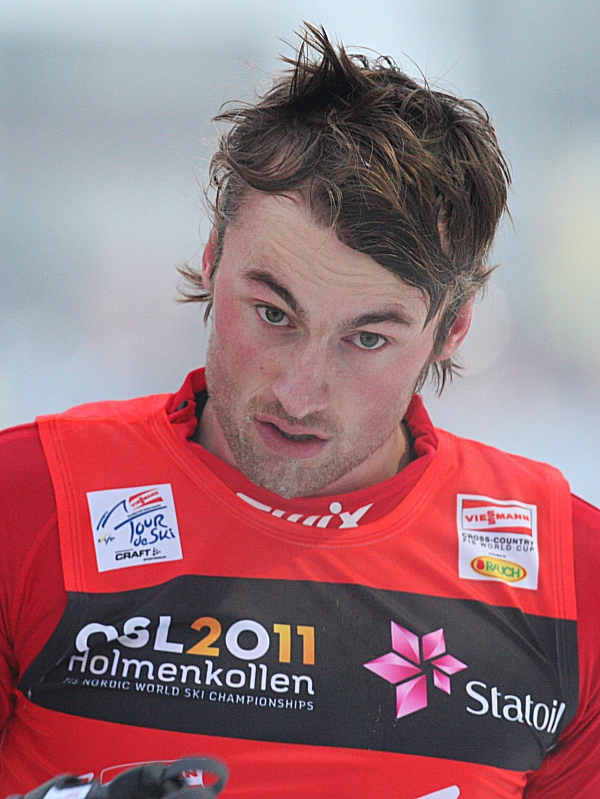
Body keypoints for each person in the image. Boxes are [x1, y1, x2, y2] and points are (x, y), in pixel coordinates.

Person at [0, 24, 598, 799]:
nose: (300, 392)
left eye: (368, 338)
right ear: (212, 258)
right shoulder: (29, 501)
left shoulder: (571, 572)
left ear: (453, 329)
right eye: (273, 313)